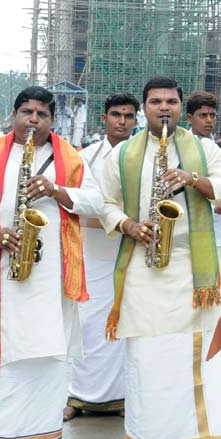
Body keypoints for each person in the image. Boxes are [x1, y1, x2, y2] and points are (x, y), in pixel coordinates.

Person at [0, 86, 102, 439]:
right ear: (14, 115)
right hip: (1, 272)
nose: (33, 119)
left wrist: (57, 190)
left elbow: (97, 202)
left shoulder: (71, 158)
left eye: (42, 114)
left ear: (52, 120)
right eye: (27, 112)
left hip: (52, 279)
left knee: (46, 358)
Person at [99, 76, 221, 439]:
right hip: (144, 263)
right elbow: (104, 203)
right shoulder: (122, 154)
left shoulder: (205, 148)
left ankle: (210, 437)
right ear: (144, 108)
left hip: (194, 267)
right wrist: (128, 225)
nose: (164, 108)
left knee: (202, 355)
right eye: (156, 101)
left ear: (181, 107)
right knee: (149, 353)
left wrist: (194, 179)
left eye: (171, 102)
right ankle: (146, 436)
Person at [64, 92, 138, 421]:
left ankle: (126, 397)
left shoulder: (143, 155)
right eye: (116, 115)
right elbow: (74, 201)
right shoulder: (85, 157)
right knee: (89, 324)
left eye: (128, 116)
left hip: (133, 249)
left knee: (130, 323)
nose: (122, 121)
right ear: (104, 118)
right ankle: (80, 396)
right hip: (92, 249)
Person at [186, 92, 221, 298]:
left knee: (220, 292)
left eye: (212, 115)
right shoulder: (181, 146)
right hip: (188, 230)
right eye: (202, 115)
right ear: (190, 118)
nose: (208, 120)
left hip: (219, 229)